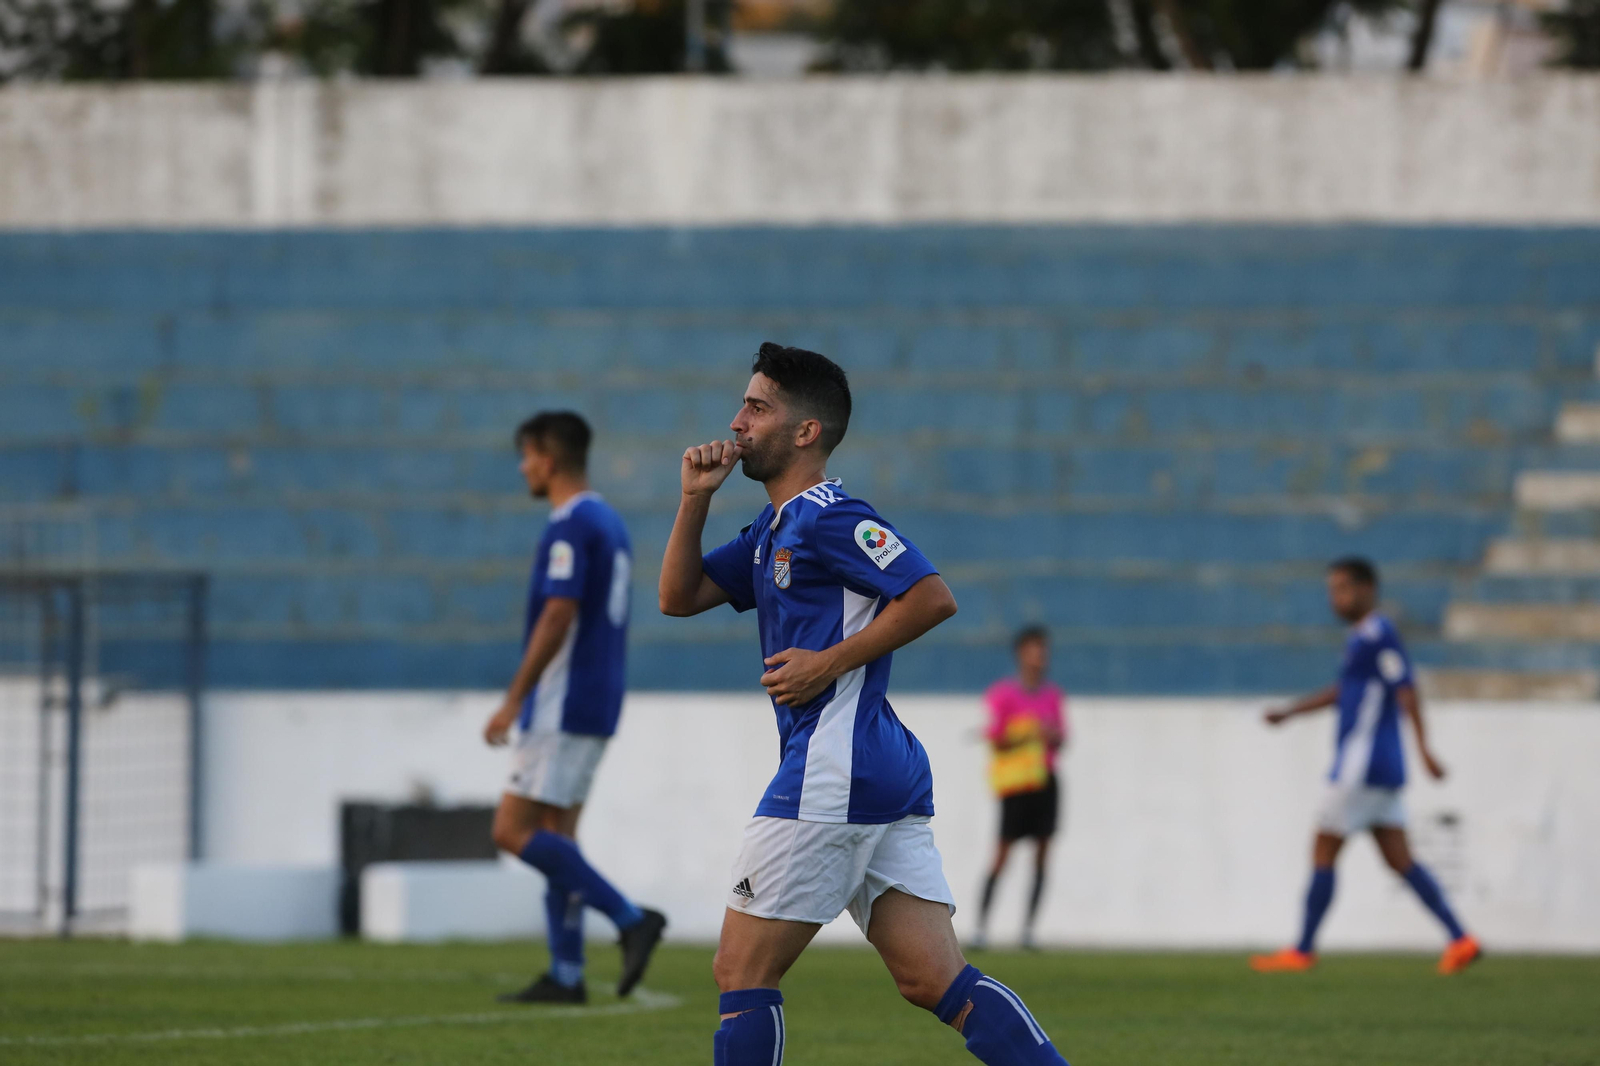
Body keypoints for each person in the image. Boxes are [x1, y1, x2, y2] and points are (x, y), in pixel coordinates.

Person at [659, 343, 1072, 1066]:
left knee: (742, 973)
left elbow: (931, 595)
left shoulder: (829, 516)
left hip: (834, 767)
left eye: (758, 407)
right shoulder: (772, 530)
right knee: (935, 979)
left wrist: (830, 661)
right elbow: (678, 597)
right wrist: (695, 498)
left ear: (806, 432)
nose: (738, 421)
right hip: (876, 768)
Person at [483, 411, 666, 1004]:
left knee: (513, 831)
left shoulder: (569, 525)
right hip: (598, 697)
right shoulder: (609, 521)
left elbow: (559, 613)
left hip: (562, 702)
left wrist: (514, 698)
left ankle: (630, 918)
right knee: (557, 837)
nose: (523, 468)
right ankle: (567, 975)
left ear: (549, 458)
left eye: (527, 455)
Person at [1250, 556, 1481, 976]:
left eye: (1342, 588)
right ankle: (1460, 939)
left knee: (1323, 850)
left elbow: (1406, 688)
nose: (1335, 598)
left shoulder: (1378, 633)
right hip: (1384, 773)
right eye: (1332, 590)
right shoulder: (1362, 639)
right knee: (1401, 860)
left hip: (1360, 766)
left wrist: (1425, 749)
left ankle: (1301, 950)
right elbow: (1345, 691)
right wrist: (1291, 712)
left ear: (1367, 589)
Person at [974, 626, 1067, 952]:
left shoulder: (1053, 694)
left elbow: (1061, 738)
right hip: (1016, 783)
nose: (1040, 656)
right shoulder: (1003, 694)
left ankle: (1028, 930)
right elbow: (996, 738)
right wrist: (1028, 730)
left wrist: (1050, 734)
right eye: (1034, 649)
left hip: (1044, 780)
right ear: (1021, 653)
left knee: (1042, 855)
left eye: (1043, 649)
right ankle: (981, 929)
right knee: (1002, 855)